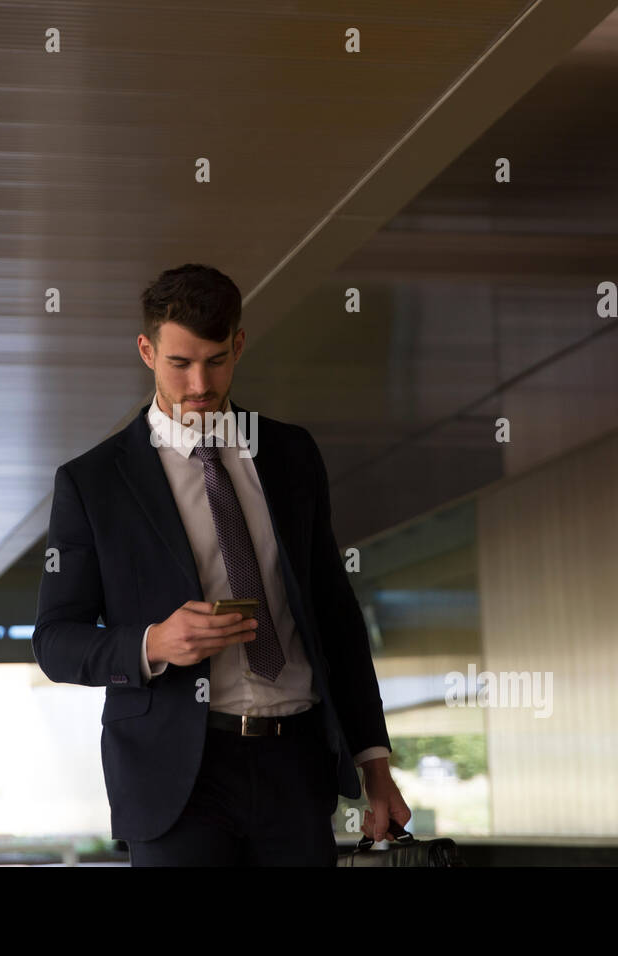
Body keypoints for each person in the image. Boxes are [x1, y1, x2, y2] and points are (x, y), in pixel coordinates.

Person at [32, 263, 409, 865]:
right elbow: (54, 643)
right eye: (179, 363)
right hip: (177, 780)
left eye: (215, 359)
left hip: (296, 765)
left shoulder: (291, 455)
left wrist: (375, 766)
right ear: (146, 351)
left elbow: (337, 619)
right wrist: (154, 642)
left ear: (238, 345)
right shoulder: (93, 483)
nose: (199, 383)